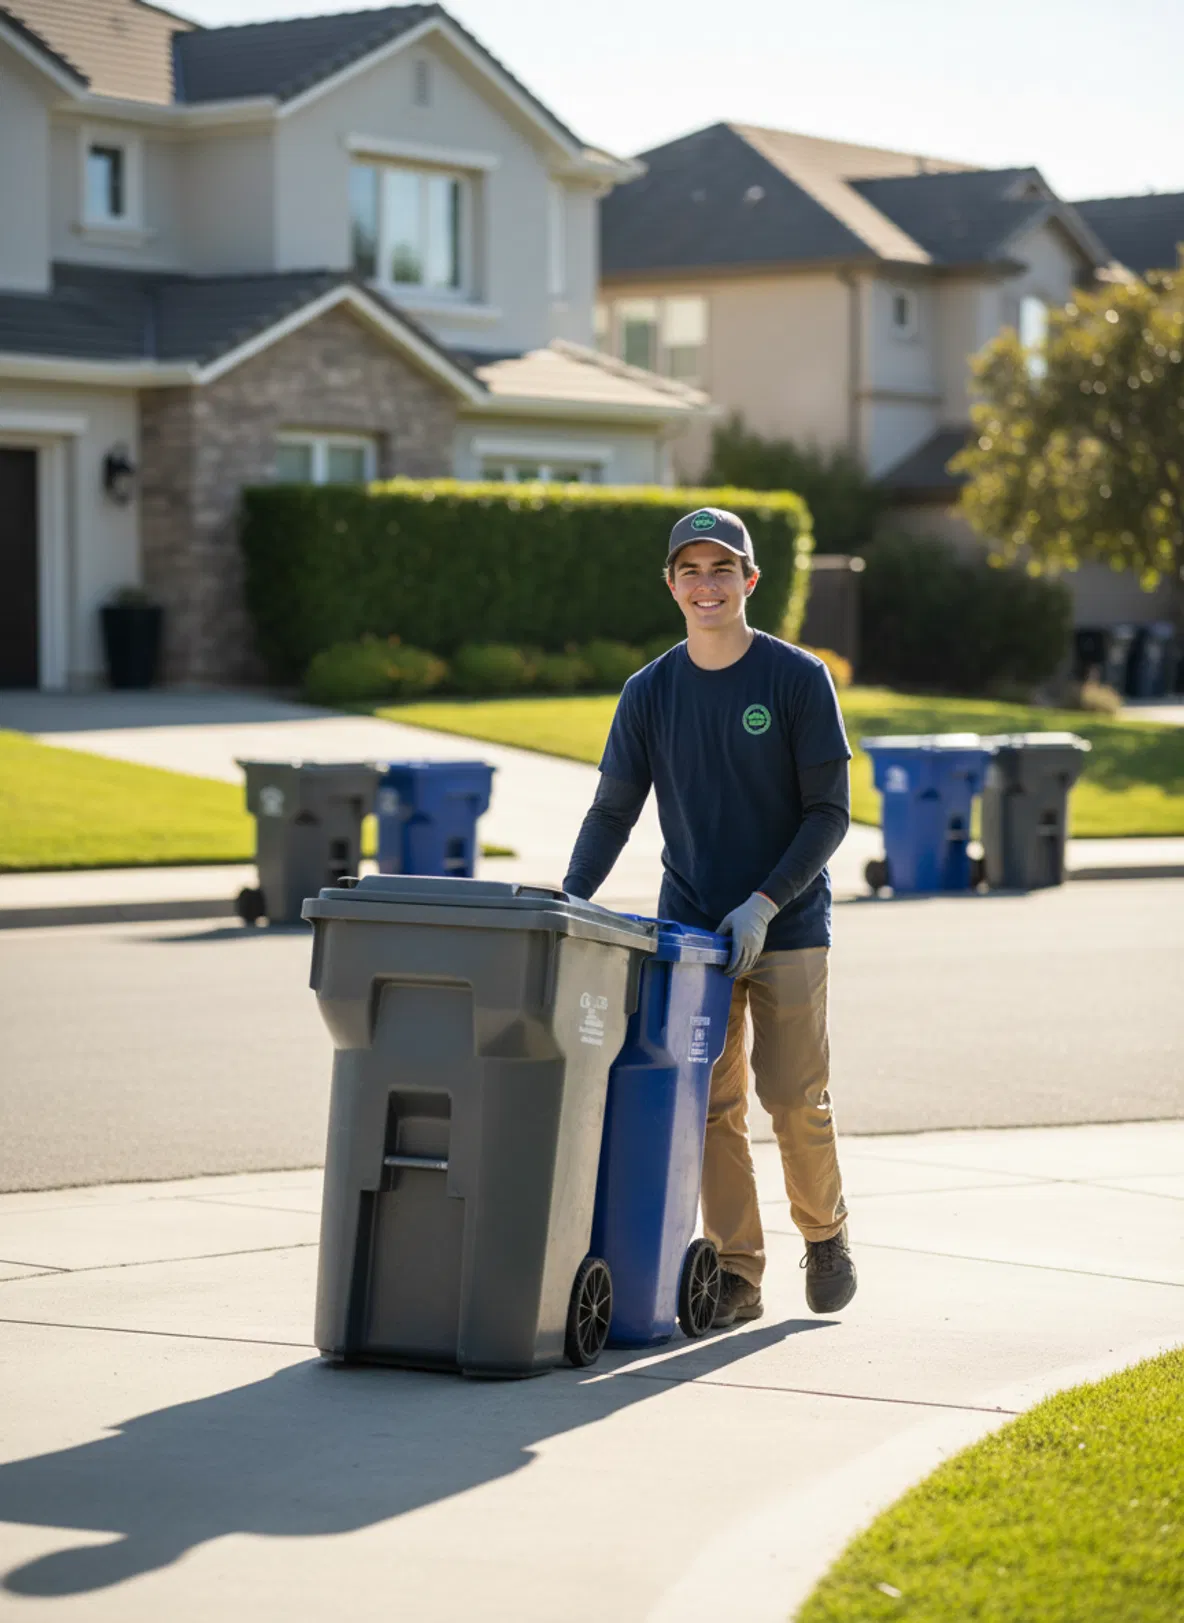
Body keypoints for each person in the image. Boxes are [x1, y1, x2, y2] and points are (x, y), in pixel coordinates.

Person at [563, 507, 856, 1326]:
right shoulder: (649, 692)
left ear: (750, 580)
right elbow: (613, 810)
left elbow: (829, 813)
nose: (706, 585)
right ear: (670, 585)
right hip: (692, 933)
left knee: (792, 1095)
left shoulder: (797, 679)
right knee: (709, 1103)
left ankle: (825, 1233)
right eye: (690, 570)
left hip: (786, 922)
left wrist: (764, 902)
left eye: (722, 569)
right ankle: (737, 1271)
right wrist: (570, 898)